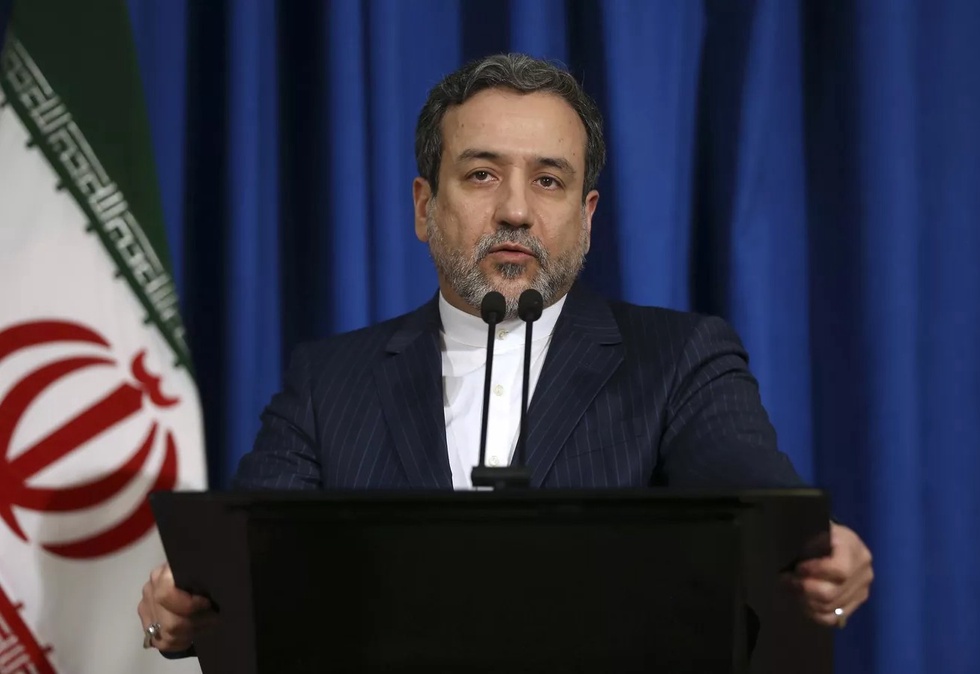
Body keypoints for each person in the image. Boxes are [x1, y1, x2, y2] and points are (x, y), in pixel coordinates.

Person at [138, 53, 873, 656]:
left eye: (549, 181)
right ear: (424, 206)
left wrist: (817, 553)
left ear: (587, 217)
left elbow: (760, 505)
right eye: (482, 174)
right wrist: (183, 603)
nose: (516, 210)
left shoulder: (680, 359)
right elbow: (241, 563)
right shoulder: (329, 382)